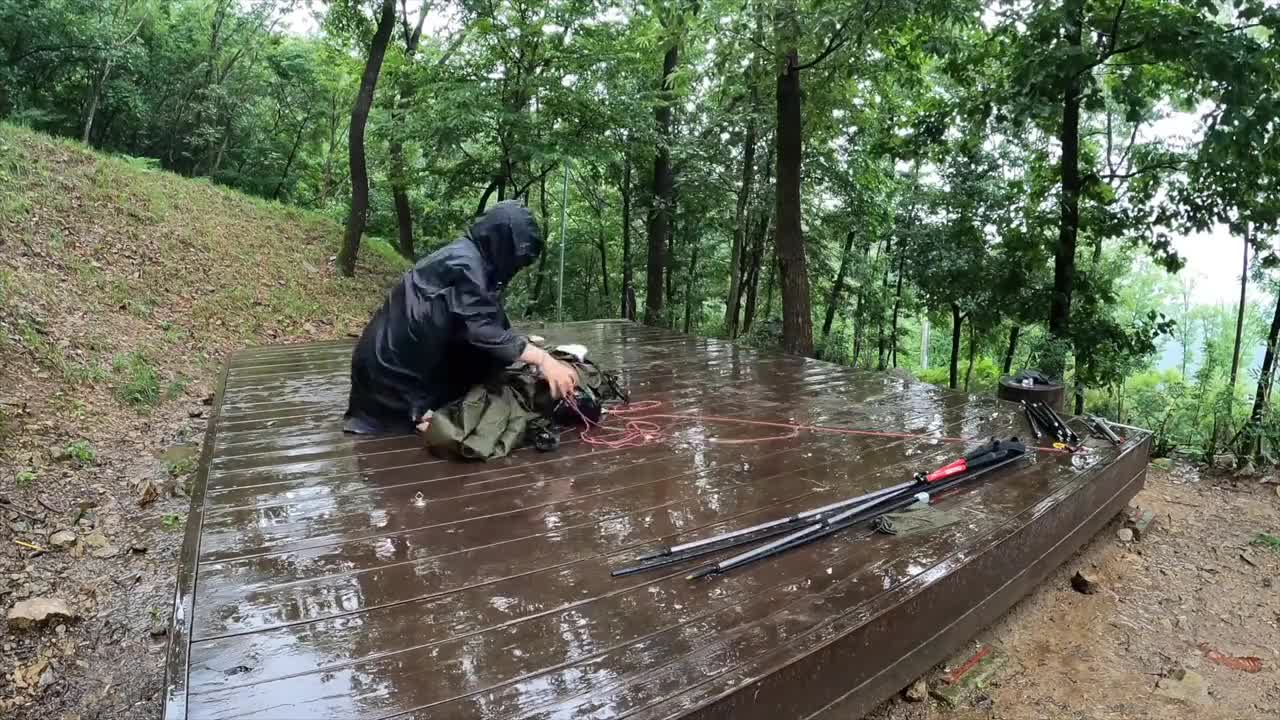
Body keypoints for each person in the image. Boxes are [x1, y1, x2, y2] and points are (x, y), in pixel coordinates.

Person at [343, 201, 578, 434]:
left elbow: (487, 321)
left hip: (385, 370)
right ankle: (415, 415)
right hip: (389, 385)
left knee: (491, 363)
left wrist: (521, 348)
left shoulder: (466, 257)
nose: (516, 268)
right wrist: (543, 360)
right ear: (503, 244)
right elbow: (481, 330)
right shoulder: (466, 266)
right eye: (517, 259)